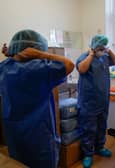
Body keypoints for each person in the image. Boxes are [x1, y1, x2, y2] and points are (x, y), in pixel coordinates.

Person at [0, 29, 74, 168]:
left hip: (14, 133)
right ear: (33, 50)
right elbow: (69, 65)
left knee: (18, 163)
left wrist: (12, 54)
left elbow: (13, 62)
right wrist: (41, 54)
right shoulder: (38, 69)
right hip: (39, 135)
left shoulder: (4, 67)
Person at [76, 34, 115, 168]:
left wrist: (109, 50)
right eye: (100, 47)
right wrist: (90, 55)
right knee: (89, 128)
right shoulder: (84, 57)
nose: (102, 50)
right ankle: (88, 154)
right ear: (93, 47)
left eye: (103, 47)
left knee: (101, 126)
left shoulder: (105, 57)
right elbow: (81, 69)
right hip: (89, 101)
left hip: (102, 100)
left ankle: (100, 147)